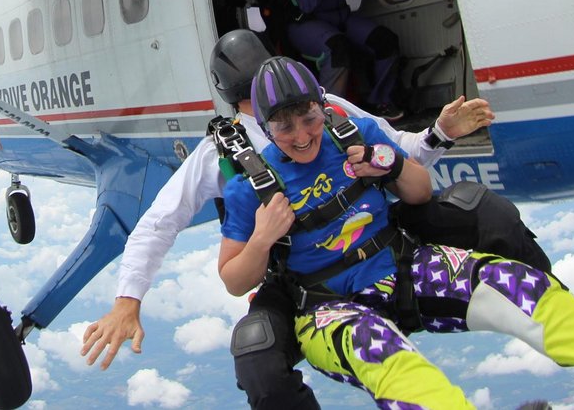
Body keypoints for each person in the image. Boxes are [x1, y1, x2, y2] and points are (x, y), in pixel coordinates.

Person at [216, 57, 574, 409]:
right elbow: (235, 280)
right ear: (266, 128)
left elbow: (419, 192)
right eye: (284, 128)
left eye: (309, 119)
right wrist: (262, 239)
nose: (302, 136)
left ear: (323, 108)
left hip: (401, 268)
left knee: (515, 284)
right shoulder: (250, 188)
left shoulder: (352, 135)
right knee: (383, 354)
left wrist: (389, 165)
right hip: (326, 308)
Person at [80, 29, 494, 408]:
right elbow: (160, 224)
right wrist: (127, 299)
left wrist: (440, 134)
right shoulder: (222, 153)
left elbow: (398, 152)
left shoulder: (328, 111)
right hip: (302, 280)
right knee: (258, 358)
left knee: (486, 215)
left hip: (378, 243)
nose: (298, 132)